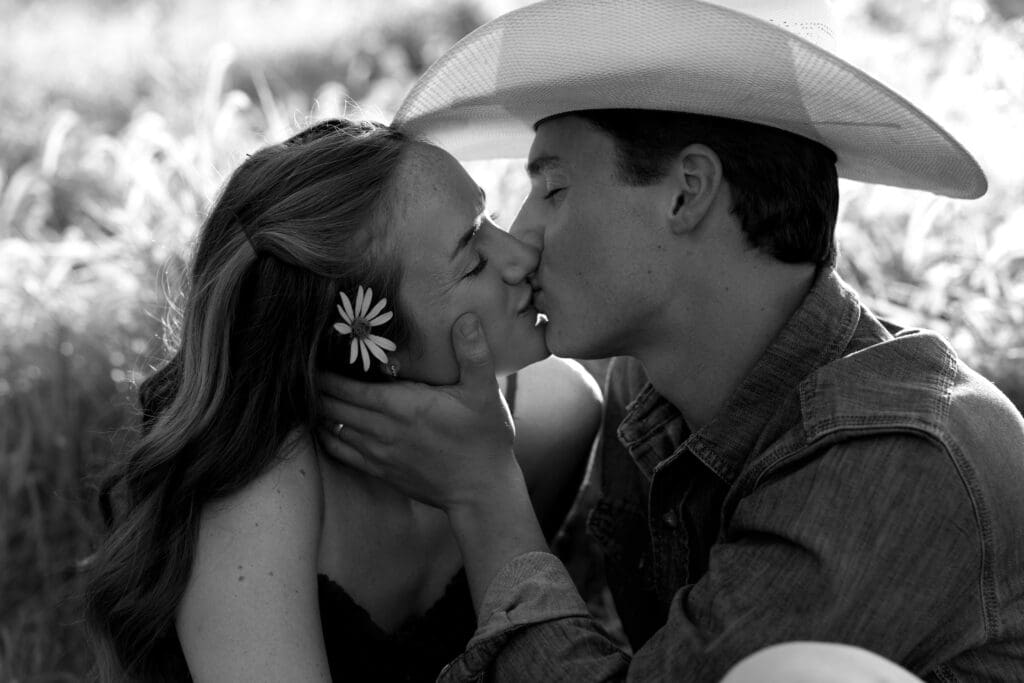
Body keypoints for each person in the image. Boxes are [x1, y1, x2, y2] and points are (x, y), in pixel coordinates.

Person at [316, 0, 1024, 680]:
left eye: (553, 190)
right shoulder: (645, 393)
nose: (522, 237)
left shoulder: (894, 457)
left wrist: (484, 496)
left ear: (686, 191)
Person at [83, 118, 601, 682]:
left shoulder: (558, 416)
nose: (521, 255)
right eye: (472, 259)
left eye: (489, 218)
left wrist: (489, 484)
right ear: (375, 343)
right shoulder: (260, 494)